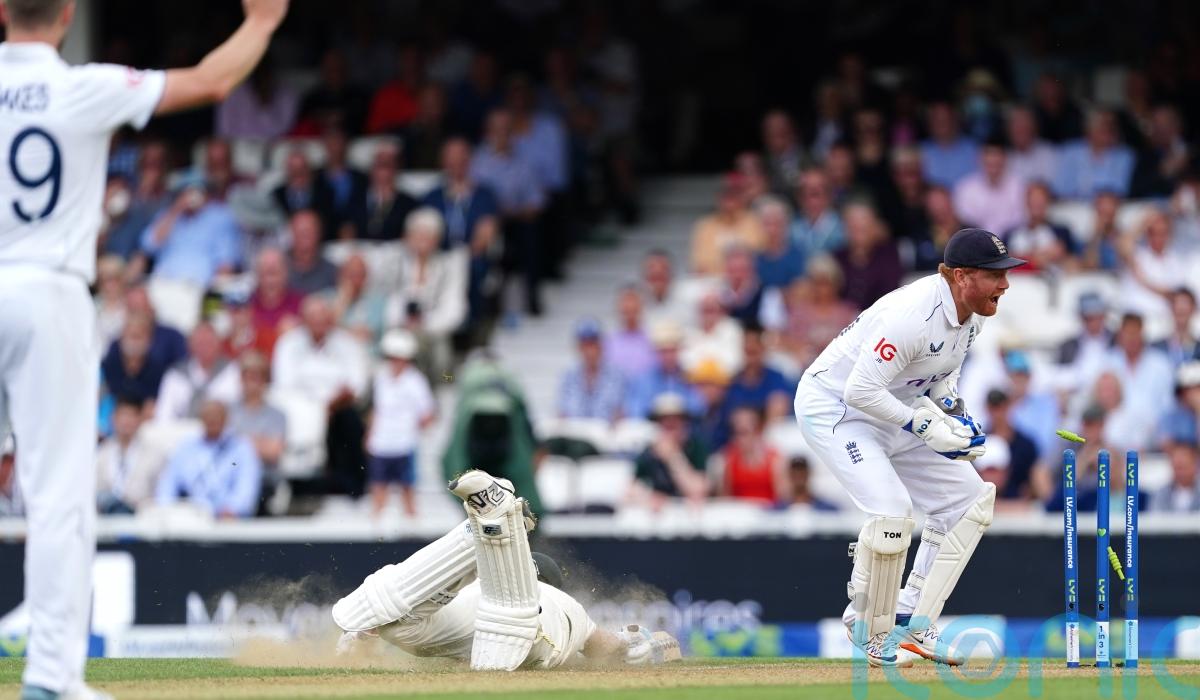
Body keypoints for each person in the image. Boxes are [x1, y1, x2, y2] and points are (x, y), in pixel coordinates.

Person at [795, 227, 1024, 667]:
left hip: (896, 405)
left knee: (969, 501)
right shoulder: (911, 316)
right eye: (995, 275)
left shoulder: (973, 316)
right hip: (838, 408)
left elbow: (941, 375)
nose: (1005, 284)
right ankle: (868, 627)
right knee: (892, 513)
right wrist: (922, 424)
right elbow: (860, 391)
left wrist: (954, 414)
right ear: (961, 276)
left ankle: (912, 620)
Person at [333, 469, 679, 669]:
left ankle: (489, 525)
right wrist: (646, 646)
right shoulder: (574, 614)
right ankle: (493, 526)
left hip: (499, 620)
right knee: (411, 621)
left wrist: (362, 636)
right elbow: (612, 649)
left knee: (399, 615)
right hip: (513, 642)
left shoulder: (551, 600)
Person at [273, 296, 370, 497]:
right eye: (313, 317)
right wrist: (317, 408)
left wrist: (330, 405)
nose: (318, 322)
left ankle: (350, 487)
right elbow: (284, 385)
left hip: (339, 408)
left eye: (322, 317)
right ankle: (300, 486)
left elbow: (357, 385)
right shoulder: (288, 343)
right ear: (303, 319)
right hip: (300, 409)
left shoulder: (347, 344)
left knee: (349, 420)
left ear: (331, 319)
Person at [365, 330, 436, 518]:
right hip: (381, 444)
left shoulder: (416, 381)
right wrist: (370, 434)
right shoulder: (380, 378)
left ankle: (411, 527)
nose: (394, 362)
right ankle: (376, 526)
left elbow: (428, 413)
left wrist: (413, 429)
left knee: (407, 490)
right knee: (378, 488)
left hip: (405, 444)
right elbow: (377, 409)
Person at [155, 400, 263, 519]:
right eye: (208, 416)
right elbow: (168, 483)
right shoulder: (186, 447)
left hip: (227, 519)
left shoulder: (241, 449)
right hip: (189, 517)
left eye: (217, 416)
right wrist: (166, 509)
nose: (212, 420)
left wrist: (233, 509)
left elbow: (246, 489)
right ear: (201, 418)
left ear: (226, 419)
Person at [628, 394, 710, 510]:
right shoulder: (649, 452)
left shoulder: (696, 448)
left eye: (675, 419)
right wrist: (648, 497)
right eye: (664, 420)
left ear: (684, 422)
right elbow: (630, 490)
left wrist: (673, 458)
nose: (670, 424)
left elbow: (697, 490)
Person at [154, 322, 242, 423]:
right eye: (200, 343)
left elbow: (238, 411)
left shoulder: (233, 372)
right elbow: (164, 414)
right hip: (181, 429)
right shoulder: (175, 375)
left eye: (209, 343)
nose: (205, 348)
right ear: (190, 346)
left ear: (218, 344)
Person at [95, 397, 165, 514]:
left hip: (141, 516)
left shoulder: (155, 455)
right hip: (106, 517)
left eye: (131, 416)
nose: (126, 421)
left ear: (140, 420)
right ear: (113, 418)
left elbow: (161, 494)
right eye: (122, 415)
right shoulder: (101, 453)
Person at [689, 173, 765, 276]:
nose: (729, 204)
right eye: (726, 198)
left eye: (733, 198)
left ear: (741, 199)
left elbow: (756, 254)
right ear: (718, 200)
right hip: (713, 278)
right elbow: (701, 262)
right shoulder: (705, 225)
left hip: (746, 277)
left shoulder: (753, 222)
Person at [834, 203, 903, 311]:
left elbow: (890, 292)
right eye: (854, 229)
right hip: (843, 318)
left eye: (863, 229)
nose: (858, 236)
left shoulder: (888, 255)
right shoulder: (837, 258)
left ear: (875, 228)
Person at [952, 137, 1025, 237]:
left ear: (1005, 160)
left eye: (997, 163)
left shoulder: (1019, 187)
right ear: (979, 160)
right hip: (976, 241)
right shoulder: (965, 188)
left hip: (1012, 241)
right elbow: (965, 224)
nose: (993, 168)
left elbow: (1021, 222)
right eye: (989, 164)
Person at [714, 406, 789, 504]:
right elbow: (725, 500)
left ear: (757, 431)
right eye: (735, 433)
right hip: (740, 511)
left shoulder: (775, 462)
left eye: (744, 433)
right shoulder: (729, 460)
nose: (739, 439)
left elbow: (783, 500)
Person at [1054, 110, 1135, 199]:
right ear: (1089, 130)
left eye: (1112, 126)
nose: (1109, 130)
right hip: (1072, 206)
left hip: (1109, 206)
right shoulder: (1071, 152)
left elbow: (1120, 190)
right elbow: (1061, 189)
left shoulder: (1125, 155)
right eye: (1104, 126)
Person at [343, 144, 417, 241]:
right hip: (360, 249)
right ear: (371, 170)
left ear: (396, 169)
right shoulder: (355, 200)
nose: (383, 172)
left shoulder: (408, 204)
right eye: (379, 165)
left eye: (387, 165)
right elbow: (346, 228)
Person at [557, 319, 626, 422]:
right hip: (576, 430)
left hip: (605, 430)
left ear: (601, 346)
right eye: (585, 345)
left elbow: (620, 412)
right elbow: (562, 412)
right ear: (578, 347)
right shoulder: (569, 376)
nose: (589, 351)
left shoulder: (616, 376)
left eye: (592, 345)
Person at [1001, 182, 1076, 272]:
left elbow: (1074, 261)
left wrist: (1061, 256)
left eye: (1040, 200)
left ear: (1048, 202)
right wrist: (1035, 257)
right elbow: (1001, 261)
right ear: (1026, 202)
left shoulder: (1062, 233)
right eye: (1033, 200)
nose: (1036, 204)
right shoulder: (1010, 234)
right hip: (1018, 279)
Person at [919, 101, 979, 188]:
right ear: (929, 123)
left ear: (956, 120)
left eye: (946, 119)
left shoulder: (974, 149)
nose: (941, 124)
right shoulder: (920, 151)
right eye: (936, 120)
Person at [604, 285, 657, 381]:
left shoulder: (654, 340)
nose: (630, 306)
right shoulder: (608, 342)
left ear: (642, 306)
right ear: (618, 307)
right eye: (625, 302)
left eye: (634, 301)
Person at [755, 196, 805, 291]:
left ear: (786, 225)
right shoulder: (754, 259)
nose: (772, 230)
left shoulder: (797, 256)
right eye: (767, 224)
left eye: (777, 224)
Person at [285, 209, 338, 296]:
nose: (305, 237)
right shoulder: (278, 266)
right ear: (291, 233)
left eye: (309, 232)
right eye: (301, 232)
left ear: (319, 233)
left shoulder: (332, 272)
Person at [1005, 105, 1058, 185]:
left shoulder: (1049, 153)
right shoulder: (1005, 157)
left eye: (1025, 126)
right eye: (1016, 126)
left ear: (1034, 128)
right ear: (1009, 130)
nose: (1020, 130)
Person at [1152, 288, 1200, 369]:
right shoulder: (1157, 348)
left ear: (1193, 309)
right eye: (1177, 304)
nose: (1181, 308)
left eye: (1185, 304)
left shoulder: (1198, 349)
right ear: (1171, 308)